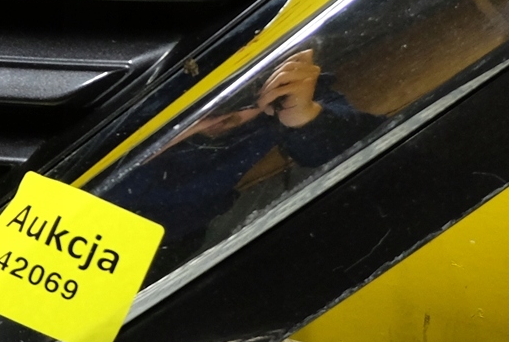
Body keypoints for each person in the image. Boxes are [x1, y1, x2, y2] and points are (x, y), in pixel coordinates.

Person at [121, 48, 377, 250]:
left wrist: (303, 115)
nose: (223, 108)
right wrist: (162, 135)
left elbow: (366, 147)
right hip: (117, 227)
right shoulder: (141, 87)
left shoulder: (280, 98)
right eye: (207, 91)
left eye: (243, 89)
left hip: (181, 239)